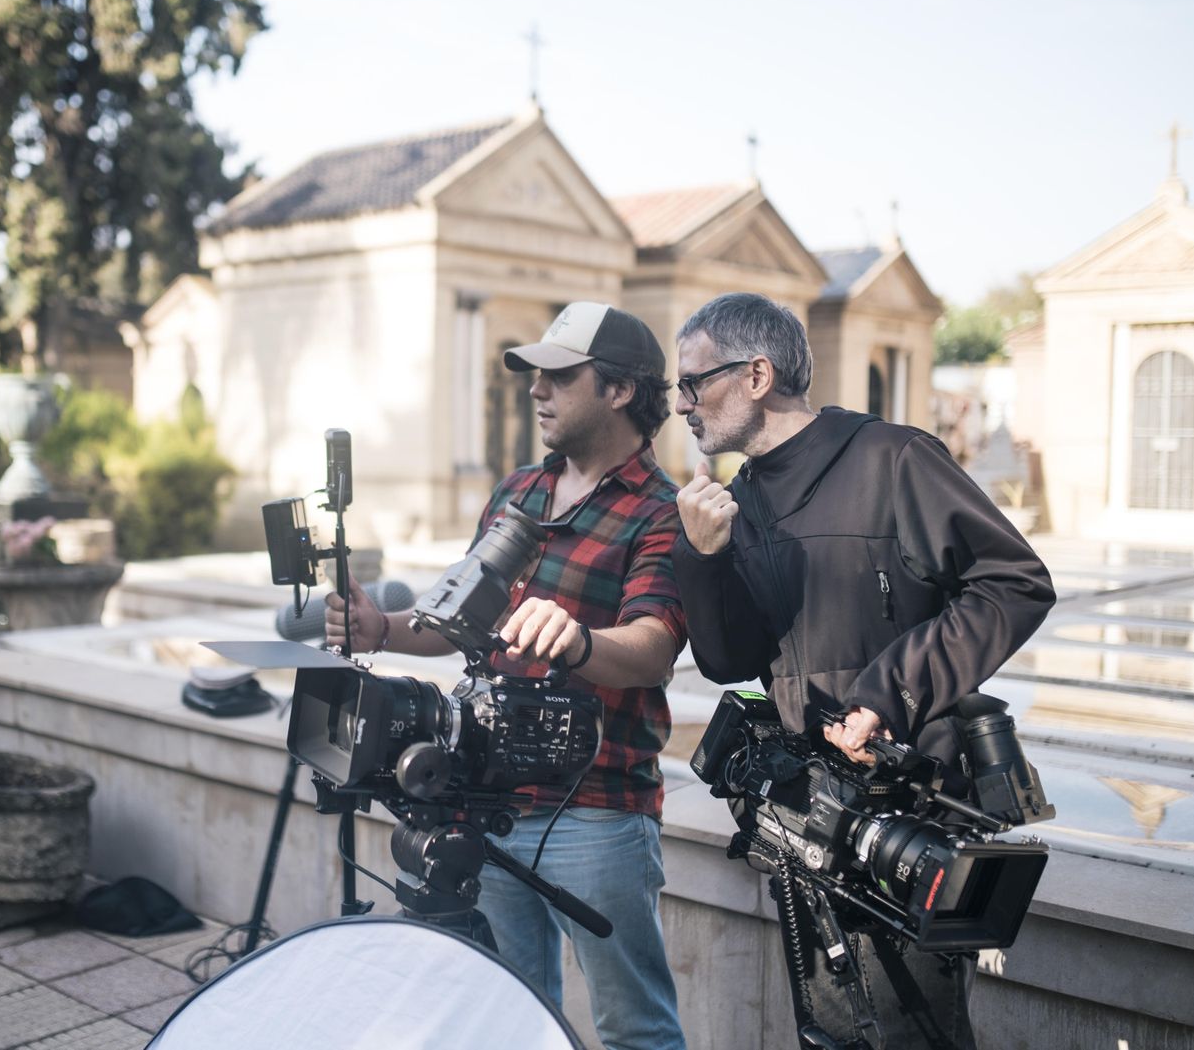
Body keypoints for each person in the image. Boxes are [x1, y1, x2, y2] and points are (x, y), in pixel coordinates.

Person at [669, 292, 1056, 1049]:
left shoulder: (894, 459)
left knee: (914, 1036)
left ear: (756, 374)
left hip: (910, 820)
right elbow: (728, 660)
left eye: (694, 381)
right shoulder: (737, 500)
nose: (682, 404)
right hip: (808, 830)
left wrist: (891, 690)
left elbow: (1014, 580)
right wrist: (701, 557)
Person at [326, 302, 689, 1050]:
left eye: (560, 375)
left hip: (596, 813)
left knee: (636, 1031)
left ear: (620, 390)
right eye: (535, 375)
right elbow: (457, 616)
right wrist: (382, 629)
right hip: (484, 804)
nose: (536, 390)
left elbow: (653, 646)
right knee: (508, 1021)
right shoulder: (518, 490)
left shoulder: (663, 512)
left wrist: (579, 639)